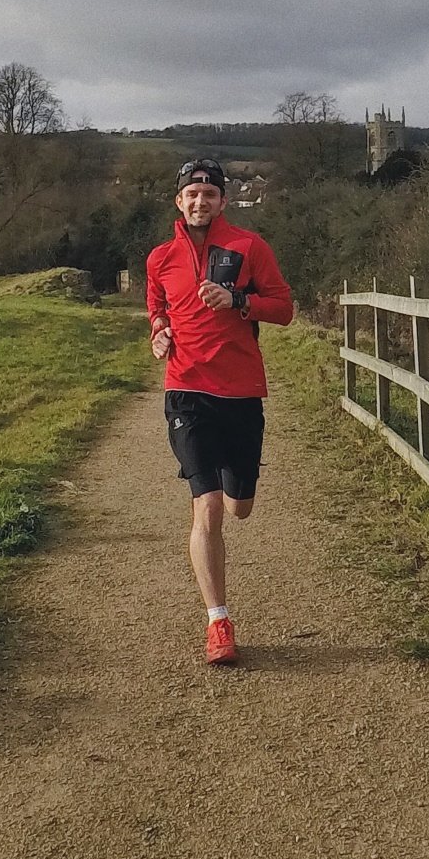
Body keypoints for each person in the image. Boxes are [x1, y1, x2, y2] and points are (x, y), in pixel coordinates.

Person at [145, 157, 294, 665]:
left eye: (209, 193)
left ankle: (242, 486)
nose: (200, 201)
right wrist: (159, 333)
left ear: (222, 201)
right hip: (186, 391)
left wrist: (238, 301)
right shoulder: (160, 258)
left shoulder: (249, 248)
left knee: (238, 506)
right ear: (179, 201)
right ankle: (218, 623)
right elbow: (157, 308)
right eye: (191, 193)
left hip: (241, 393)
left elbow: (284, 308)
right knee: (205, 506)